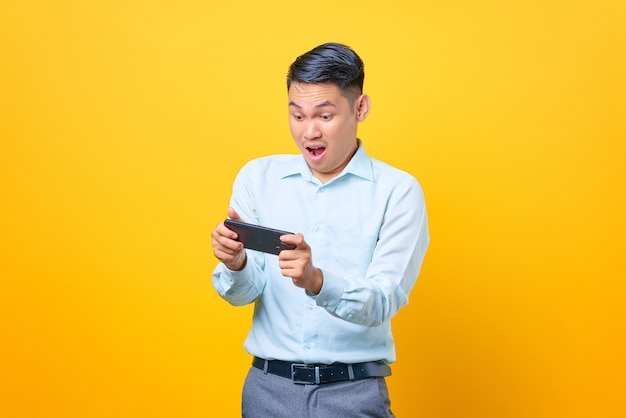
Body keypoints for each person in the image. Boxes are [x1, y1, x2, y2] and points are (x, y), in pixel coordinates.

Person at [211, 42, 429, 418]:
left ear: (360, 108)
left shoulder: (398, 191)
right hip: (267, 391)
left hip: (353, 394)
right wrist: (236, 263)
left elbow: (383, 300)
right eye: (297, 116)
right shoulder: (258, 178)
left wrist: (317, 280)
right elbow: (242, 295)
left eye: (325, 116)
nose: (309, 131)